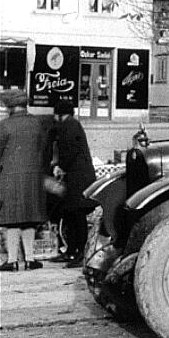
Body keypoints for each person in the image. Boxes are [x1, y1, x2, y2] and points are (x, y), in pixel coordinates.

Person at [0, 88, 53, 271]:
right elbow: (45, 150)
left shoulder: (4, 125)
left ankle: (12, 260)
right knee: (29, 219)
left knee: (12, 219)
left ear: (10, 107)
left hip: (9, 177)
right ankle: (30, 259)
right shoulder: (37, 124)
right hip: (33, 177)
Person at [50, 100, 99, 268]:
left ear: (59, 113)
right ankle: (71, 250)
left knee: (77, 214)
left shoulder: (68, 126)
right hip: (77, 176)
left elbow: (69, 151)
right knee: (70, 213)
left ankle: (79, 252)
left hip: (78, 177)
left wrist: (60, 167)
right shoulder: (72, 124)